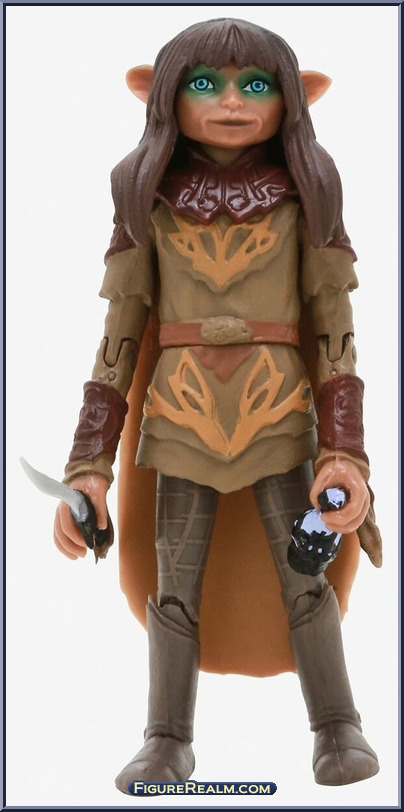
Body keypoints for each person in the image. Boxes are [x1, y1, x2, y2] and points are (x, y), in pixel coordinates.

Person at [53, 18, 382, 790]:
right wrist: (89, 465)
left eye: (255, 84)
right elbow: (118, 340)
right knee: (174, 583)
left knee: (306, 575)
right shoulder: (148, 199)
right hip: (180, 416)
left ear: (292, 98)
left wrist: (344, 452)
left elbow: (335, 333)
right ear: (165, 95)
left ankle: (337, 723)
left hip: (280, 415)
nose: (232, 101)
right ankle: (167, 738)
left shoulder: (304, 196)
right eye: (206, 83)